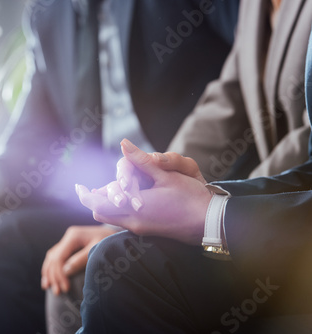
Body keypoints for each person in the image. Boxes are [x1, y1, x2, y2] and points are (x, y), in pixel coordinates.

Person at [0, 0, 239, 333]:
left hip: (177, 186)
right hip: (94, 194)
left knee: (6, 245)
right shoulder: (50, 9)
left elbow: (249, 72)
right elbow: (35, 136)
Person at [46, 0, 312, 332]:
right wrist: (159, 181)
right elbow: (227, 101)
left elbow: (307, 141)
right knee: (98, 263)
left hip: (294, 232)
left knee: (117, 264)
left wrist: (212, 212)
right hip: (276, 204)